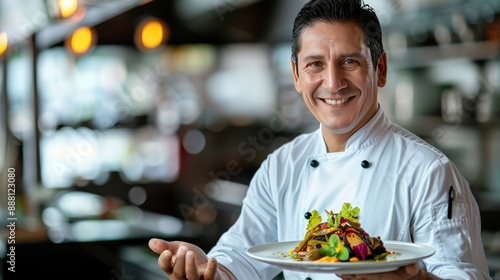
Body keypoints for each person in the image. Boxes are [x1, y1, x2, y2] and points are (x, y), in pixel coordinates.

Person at [149, 0, 491, 279]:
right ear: (297, 75)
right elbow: (242, 255)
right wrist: (207, 268)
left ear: (381, 69)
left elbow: (462, 274)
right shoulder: (282, 165)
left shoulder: (428, 170)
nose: (333, 82)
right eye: (315, 64)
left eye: (350, 61)